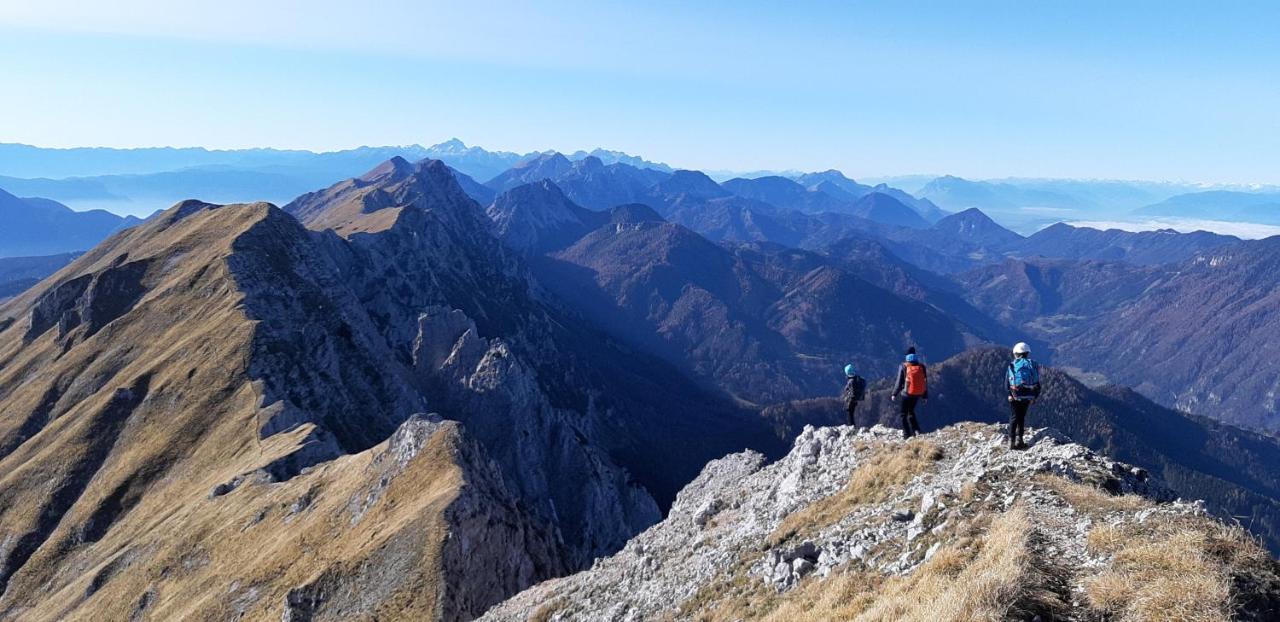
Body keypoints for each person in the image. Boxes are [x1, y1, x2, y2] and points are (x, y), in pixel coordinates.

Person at [1005, 342, 1041, 450]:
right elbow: (1037, 383)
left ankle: (1011, 442)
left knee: (1014, 417)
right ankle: (1020, 440)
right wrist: (1034, 396)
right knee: (1021, 418)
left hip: (1015, 395)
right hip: (1028, 395)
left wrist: (1009, 394)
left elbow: (1007, 382)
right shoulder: (1032, 365)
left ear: (1016, 353)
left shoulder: (1012, 365)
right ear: (1027, 353)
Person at [891, 347, 927, 438]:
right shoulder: (921, 366)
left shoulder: (904, 366)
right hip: (917, 394)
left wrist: (894, 393)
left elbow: (899, 382)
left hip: (906, 394)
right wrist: (925, 396)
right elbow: (925, 382)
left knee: (903, 414)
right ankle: (917, 431)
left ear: (906, 357)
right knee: (911, 412)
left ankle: (907, 434)